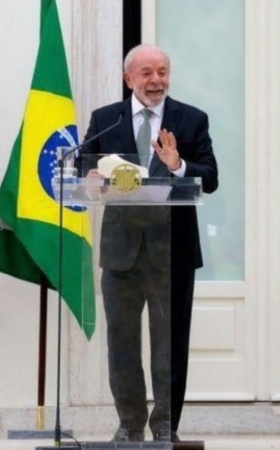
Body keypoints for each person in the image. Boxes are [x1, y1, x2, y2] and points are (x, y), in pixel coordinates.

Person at [80, 44, 219, 443]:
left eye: (162, 72)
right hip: (121, 251)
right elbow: (83, 161)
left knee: (169, 344)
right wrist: (89, 175)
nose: (156, 80)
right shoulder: (106, 119)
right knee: (122, 342)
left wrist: (178, 165)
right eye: (147, 73)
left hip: (172, 250)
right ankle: (129, 424)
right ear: (129, 78)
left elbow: (210, 177)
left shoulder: (191, 119)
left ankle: (165, 427)